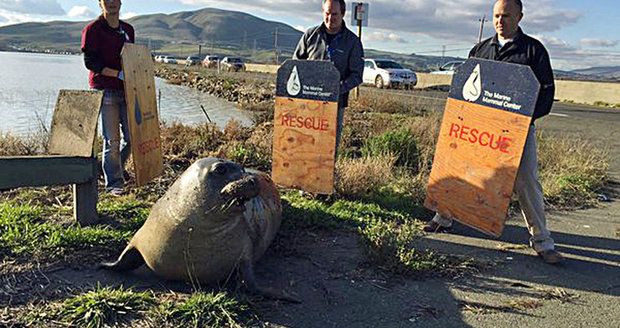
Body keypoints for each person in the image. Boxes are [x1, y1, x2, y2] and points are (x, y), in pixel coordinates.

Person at [423, 0, 562, 264]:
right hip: (478, 130)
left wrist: (522, 121)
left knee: (526, 181)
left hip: (518, 134)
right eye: (497, 16)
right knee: (462, 169)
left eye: (506, 16)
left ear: (519, 17)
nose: (501, 21)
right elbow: (465, 89)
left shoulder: (533, 51)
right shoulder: (480, 50)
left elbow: (546, 94)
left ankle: (543, 241)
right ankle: (444, 216)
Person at [293, 0, 364, 149]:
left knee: (328, 148)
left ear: (343, 14)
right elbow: (296, 65)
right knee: (304, 145)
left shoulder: (352, 42)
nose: (330, 18)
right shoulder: (310, 35)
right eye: (327, 13)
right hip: (308, 103)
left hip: (335, 105)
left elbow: (356, 75)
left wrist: (336, 89)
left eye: (335, 14)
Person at [81, 0, 135, 196]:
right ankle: (114, 183)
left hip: (127, 90)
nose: (111, 2)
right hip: (105, 90)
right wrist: (116, 74)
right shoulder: (93, 29)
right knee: (112, 140)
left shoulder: (128, 29)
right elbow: (90, 62)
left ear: (121, 2)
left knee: (131, 138)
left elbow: (131, 58)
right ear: (100, 3)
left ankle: (115, 170)